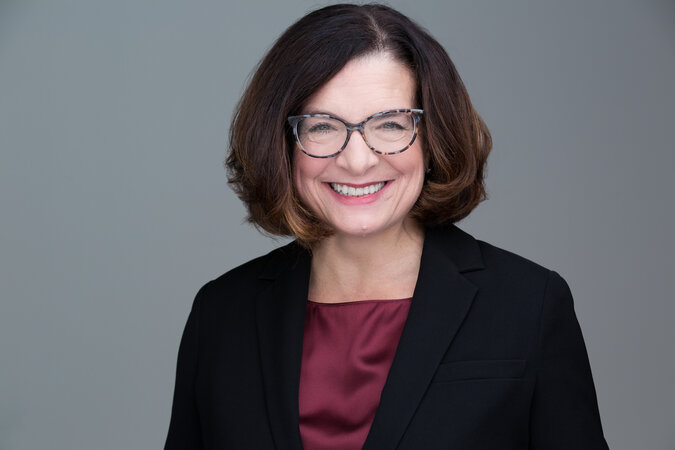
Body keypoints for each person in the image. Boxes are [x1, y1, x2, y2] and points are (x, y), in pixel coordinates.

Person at [165, 4, 609, 449]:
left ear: (433, 138)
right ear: (282, 145)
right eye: (322, 126)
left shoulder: (529, 305)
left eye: (391, 124)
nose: (357, 161)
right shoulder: (220, 315)